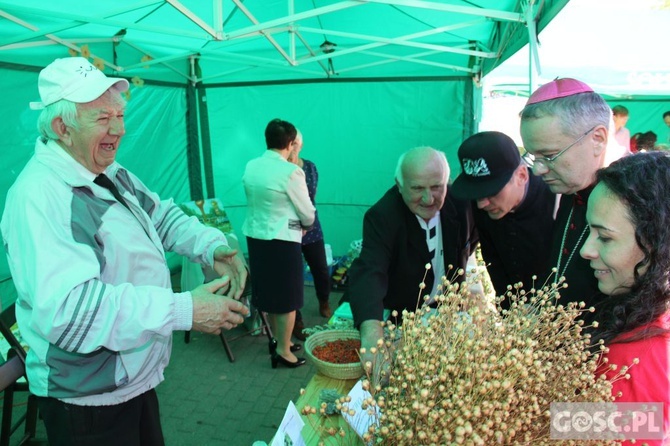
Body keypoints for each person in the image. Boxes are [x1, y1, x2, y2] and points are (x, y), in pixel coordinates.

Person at [0, 57, 249, 446]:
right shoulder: (39, 198)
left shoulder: (106, 170)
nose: (120, 128)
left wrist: (211, 246)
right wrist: (185, 310)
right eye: (103, 119)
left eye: (119, 114)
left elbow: (159, 215)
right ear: (61, 128)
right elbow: (74, 312)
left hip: (132, 381)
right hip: (89, 402)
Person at [347, 147, 478, 373]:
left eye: (437, 187)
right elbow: (370, 271)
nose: (429, 199)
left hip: (447, 313)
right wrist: (371, 335)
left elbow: (472, 245)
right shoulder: (383, 216)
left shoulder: (463, 203)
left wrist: (475, 294)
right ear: (399, 185)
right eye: (417, 188)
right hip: (403, 319)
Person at [580, 152, 670, 446]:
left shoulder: (632, 362)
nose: (586, 250)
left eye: (604, 237)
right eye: (588, 231)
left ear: (655, 243)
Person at [519, 78, 613, 324]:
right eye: (532, 156)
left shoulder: (635, 202)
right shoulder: (572, 190)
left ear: (598, 139)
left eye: (549, 156)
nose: (538, 170)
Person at [450, 131, 556, 304]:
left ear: (521, 176)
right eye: (475, 194)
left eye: (491, 191)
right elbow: (493, 259)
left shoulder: (556, 199)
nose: (481, 204)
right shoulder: (483, 205)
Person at [242, 118, 315, 369]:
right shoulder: (291, 172)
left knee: (272, 295)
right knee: (288, 298)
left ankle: (277, 342)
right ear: (290, 143)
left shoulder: (251, 165)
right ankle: (284, 351)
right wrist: (306, 224)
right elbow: (306, 212)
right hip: (283, 240)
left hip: (256, 237)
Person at [288, 130, 332, 342]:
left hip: (312, 227)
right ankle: (296, 319)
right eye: (290, 142)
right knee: (293, 276)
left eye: (296, 142)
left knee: (321, 269)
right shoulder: (279, 170)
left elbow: (309, 197)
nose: (293, 146)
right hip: (288, 230)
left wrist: (306, 220)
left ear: (301, 145)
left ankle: (324, 301)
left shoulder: (310, 167)